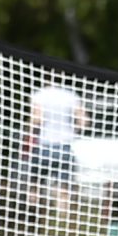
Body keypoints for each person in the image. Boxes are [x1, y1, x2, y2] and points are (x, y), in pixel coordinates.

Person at [24, 79, 87, 213]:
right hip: (64, 147)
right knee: (63, 188)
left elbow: (36, 119)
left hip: (44, 146)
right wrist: (72, 131)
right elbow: (84, 121)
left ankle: (32, 215)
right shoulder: (71, 96)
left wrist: (28, 135)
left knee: (35, 184)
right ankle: (61, 219)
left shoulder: (40, 95)